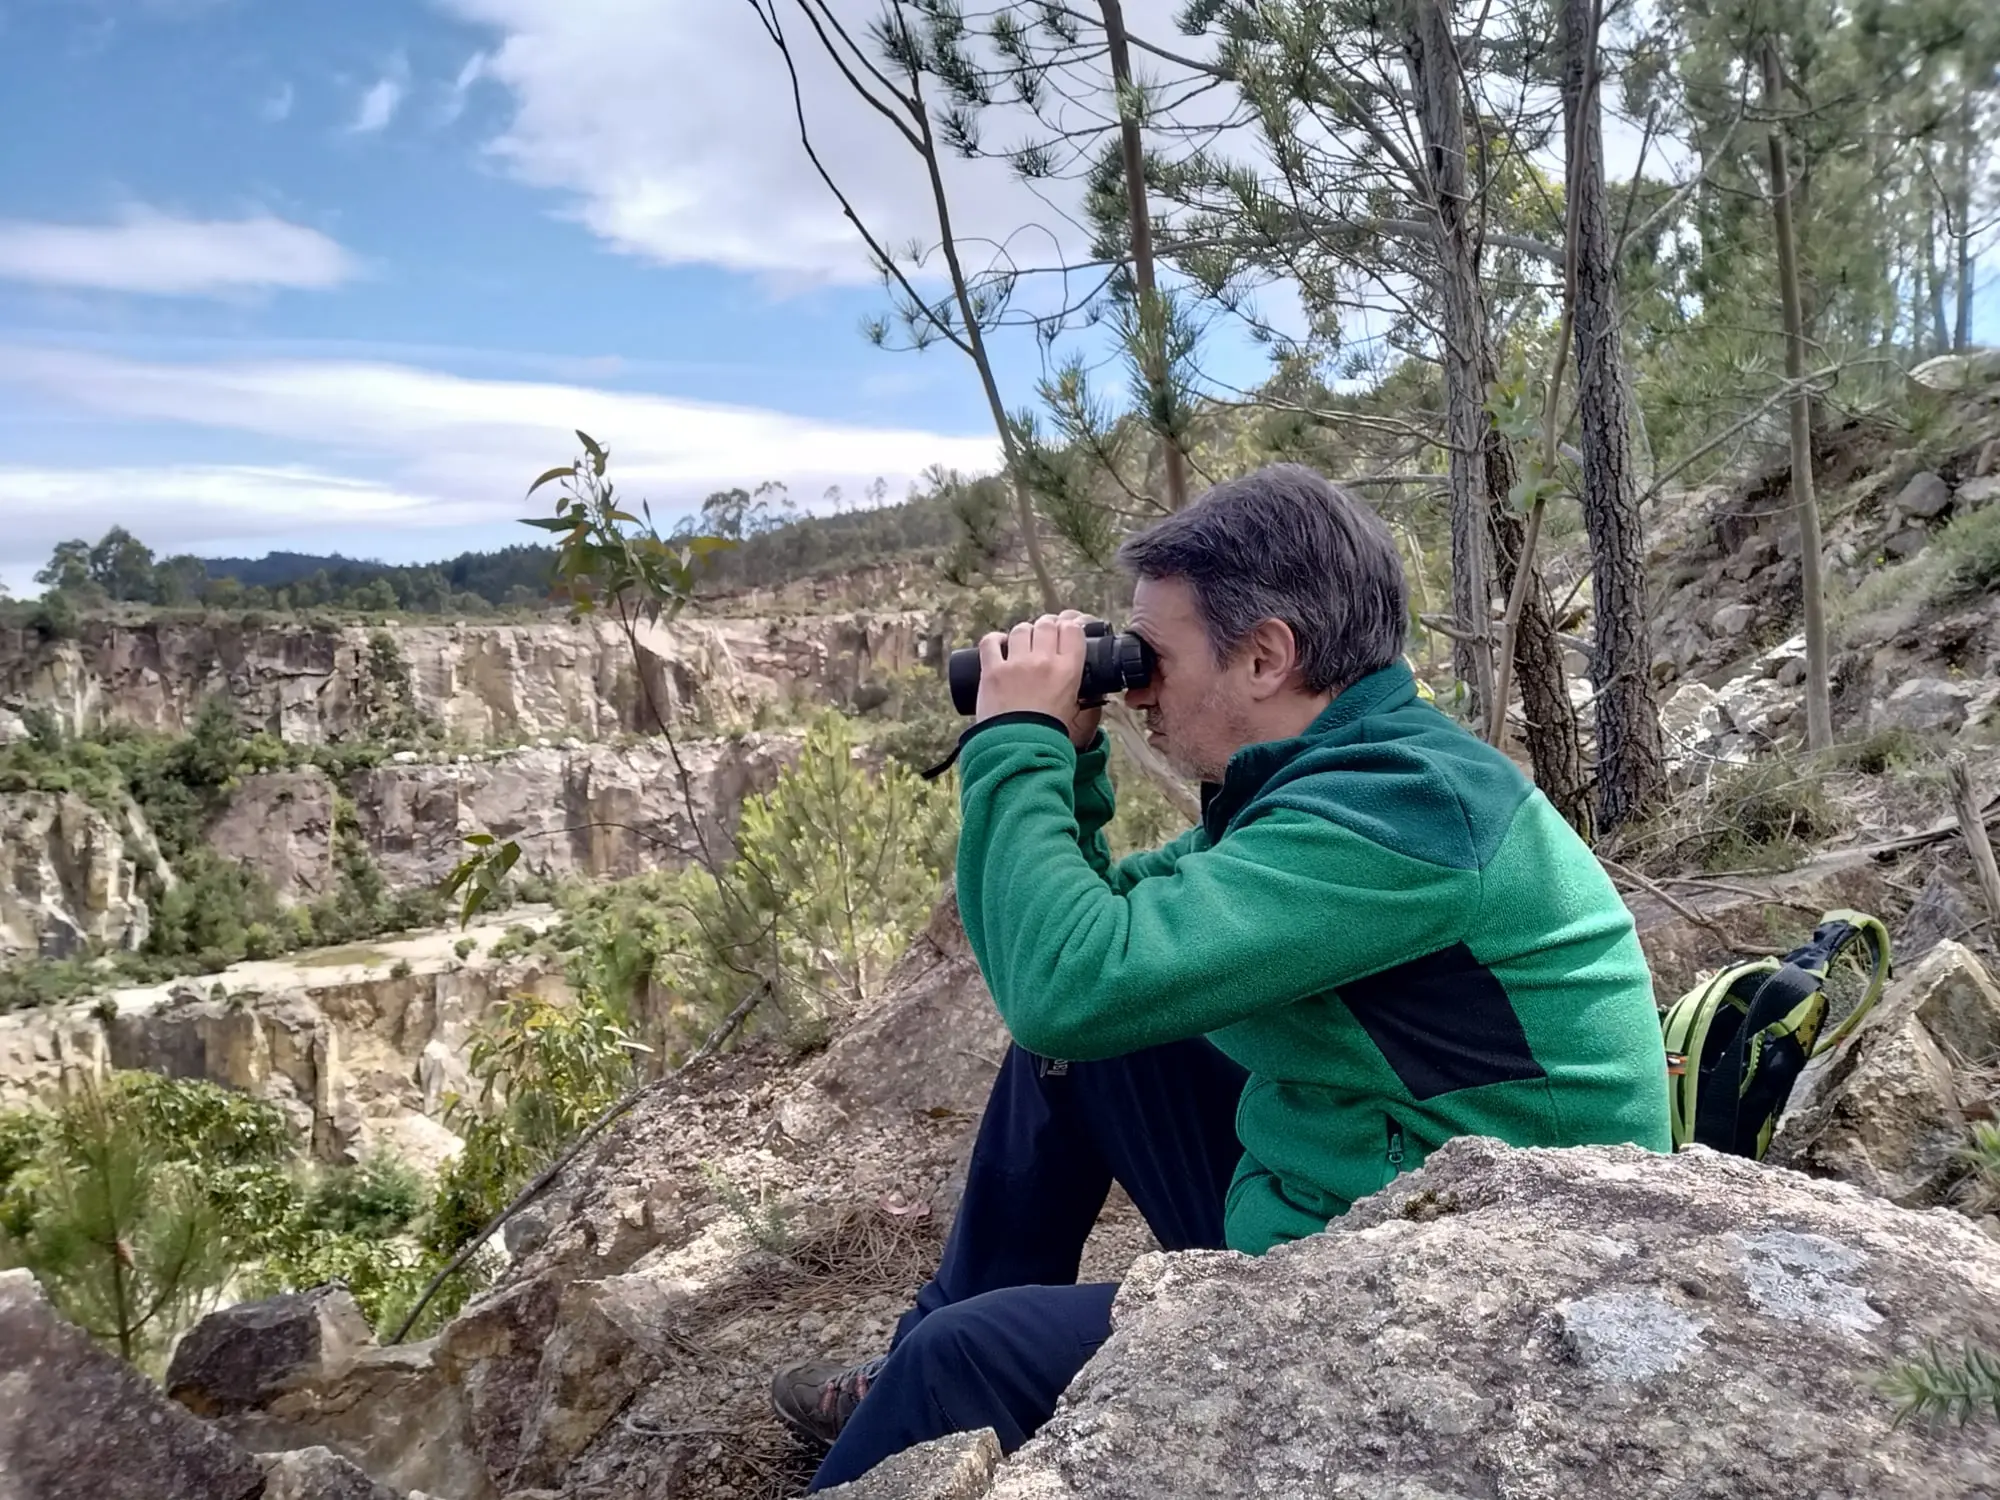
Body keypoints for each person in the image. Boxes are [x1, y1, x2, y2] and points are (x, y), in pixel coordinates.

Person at [770, 464, 1670, 1490]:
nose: (1134, 687)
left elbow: (1066, 974)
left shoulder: (1404, 809)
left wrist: (1010, 741)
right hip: (1373, 1207)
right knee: (1078, 1054)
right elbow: (1088, 958)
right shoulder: (1342, 778)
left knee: (964, 1358)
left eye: (1149, 657)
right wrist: (1061, 760)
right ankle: (912, 1363)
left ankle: (928, 1381)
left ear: (1264, 656)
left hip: (1470, 1298)